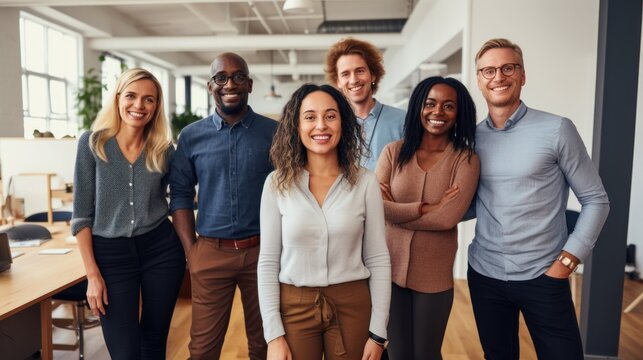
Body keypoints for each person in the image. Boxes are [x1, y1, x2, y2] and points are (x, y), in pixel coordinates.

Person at [468, 38, 610, 359]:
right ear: (478, 80)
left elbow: (596, 199)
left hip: (543, 274)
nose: (498, 77)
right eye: (488, 70)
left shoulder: (557, 129)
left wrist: (568, 260)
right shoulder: (471, 138)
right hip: (485, 274)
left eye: (508, 68)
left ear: (522, 75)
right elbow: (470, 203)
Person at [258, 84, 391, 360]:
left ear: (343, 122)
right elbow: (268, 261)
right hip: (293, 307)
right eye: (310, 117)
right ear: (296, 125)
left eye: (331, 116)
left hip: (353, 305)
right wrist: (273, 335)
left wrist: (378, 334)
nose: (321, 125)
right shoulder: (276, 184)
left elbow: (378, 258)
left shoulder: (365, 181)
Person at [72, 68, 186, 359]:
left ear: (156, 106)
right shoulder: (92, 144)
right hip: (111, 256)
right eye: (132, 96)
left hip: (161, 250)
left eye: (149, 99)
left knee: (154, 343)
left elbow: (181, 197)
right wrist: (92, 275)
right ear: (118, 98)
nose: (139, 106)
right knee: (124, 352)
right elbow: (81, 217)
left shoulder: (164, 150)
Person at [169, 52, 276, 360]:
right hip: (211, 253)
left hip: (263, 254)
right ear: (210, 85)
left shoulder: (274, 133)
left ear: (250, 84)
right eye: (221, 78)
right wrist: (192, 251)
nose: (230, 83)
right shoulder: (191, 136)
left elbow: (289, 192)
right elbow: (179, 194)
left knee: (266, 346)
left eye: (238, 76)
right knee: (202, 351)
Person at [375, 76, 479, 359]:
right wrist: (427, 207)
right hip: (390, 271)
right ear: (419, 106)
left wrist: (396, 209)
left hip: (434, 277)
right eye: (430, 103)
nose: (437, 112)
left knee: (426, 354)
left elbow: (448, 218)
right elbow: (374, 207)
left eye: (449, 106)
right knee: (397, 352)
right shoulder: (393, 152)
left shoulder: (466, 159)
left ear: (459, 113)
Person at [325, 38, 405, 171]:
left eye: (360, 71)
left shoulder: (402, 121)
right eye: (345, 74)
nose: (353, 80)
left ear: (372, 75)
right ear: (338, 82)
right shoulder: (333, 124)